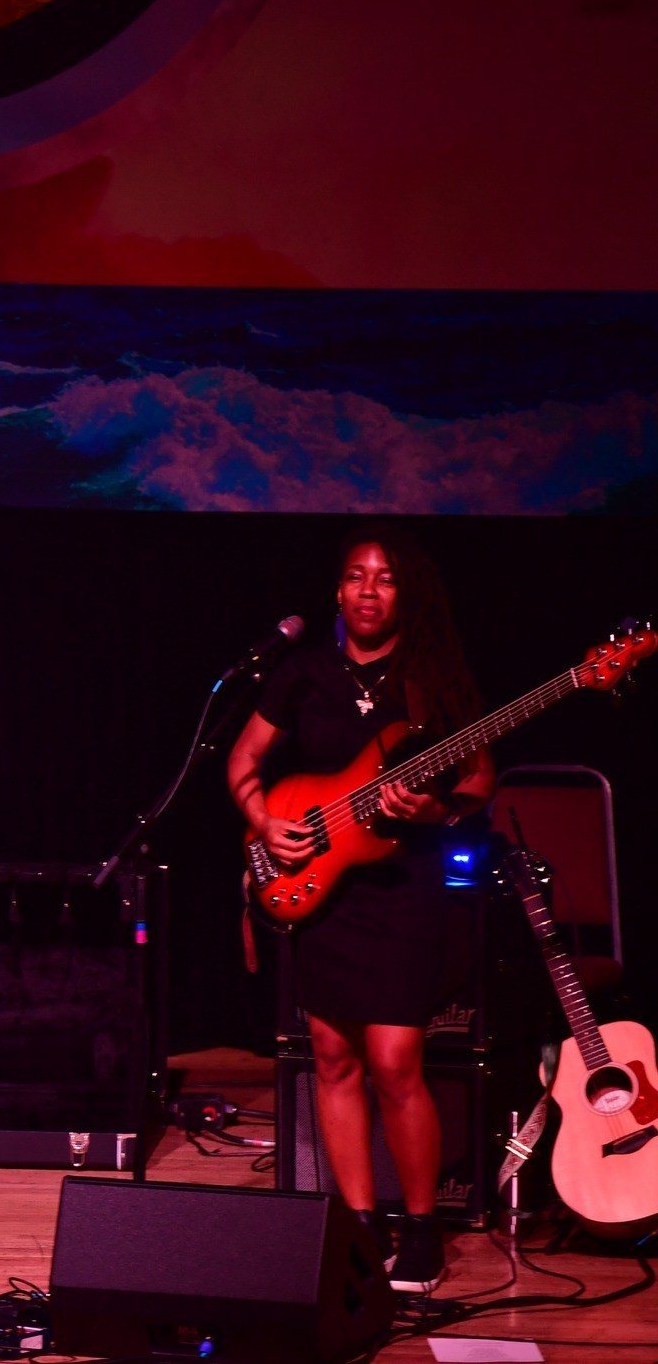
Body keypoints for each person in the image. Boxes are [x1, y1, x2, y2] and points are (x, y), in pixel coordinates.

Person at [226, 528, 493, 1294]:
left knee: (396, 1062)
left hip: (403, 887)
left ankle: (422, 1229)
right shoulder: (302, 672)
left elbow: (480, 778)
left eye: (385, 578)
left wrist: (435, 810)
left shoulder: (431, 678)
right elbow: (243, 760)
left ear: (407, 594)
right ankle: (361, 1222)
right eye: (355, 576)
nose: (368, 590)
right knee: (333, 1058)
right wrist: (264, 819)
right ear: (336, 591)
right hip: (325, 887)